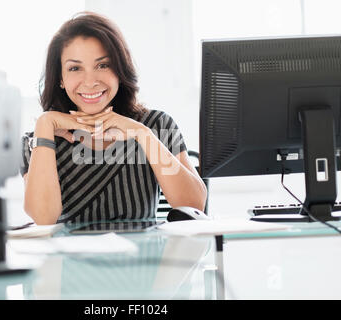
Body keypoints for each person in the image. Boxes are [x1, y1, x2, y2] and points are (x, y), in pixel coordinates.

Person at [21, 12, 207, 225]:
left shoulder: (156, 125)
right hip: (71, 257)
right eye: (75, 68)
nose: (90, 82)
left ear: (119, 70)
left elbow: (194, 205)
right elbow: (44, 218)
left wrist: (142, 134)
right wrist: (44, 124)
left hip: (141, 258)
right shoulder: (36, 141)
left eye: (103, 65)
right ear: (61, 79)